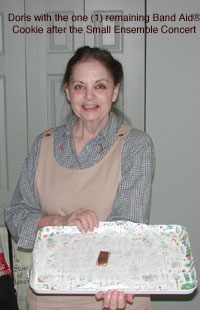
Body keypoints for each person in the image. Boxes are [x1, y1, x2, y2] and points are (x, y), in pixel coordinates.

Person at [5, 46, 155, 310]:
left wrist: (116, 277)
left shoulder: (135, 145)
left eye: (99, 86)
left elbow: (128, 224)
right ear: (67, 91)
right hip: (50, 292)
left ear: (115, 91)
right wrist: (60, 221)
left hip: (110, 291)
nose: (89, 96)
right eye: (78, 86)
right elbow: (16, 214)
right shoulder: (44, 143)